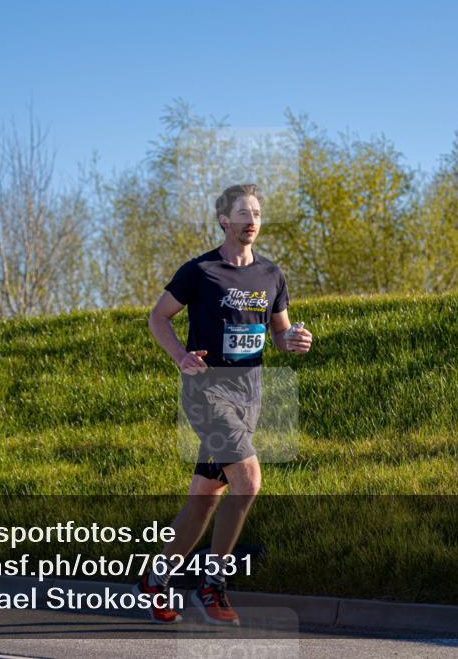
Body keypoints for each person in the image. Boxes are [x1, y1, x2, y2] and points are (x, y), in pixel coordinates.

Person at [133, 184, 313, 625]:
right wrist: (180, 357)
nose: (251, 220)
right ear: (224, 221)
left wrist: (293, 340)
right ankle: (213, 584)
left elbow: (279, 333)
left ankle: (155, 579)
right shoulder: (200, 271)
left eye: (257, 213)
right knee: (249, 480)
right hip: (207, 392)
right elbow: (158, 317)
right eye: (242, 213)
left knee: (204, 498)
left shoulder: (271, 275)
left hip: (248, 395)